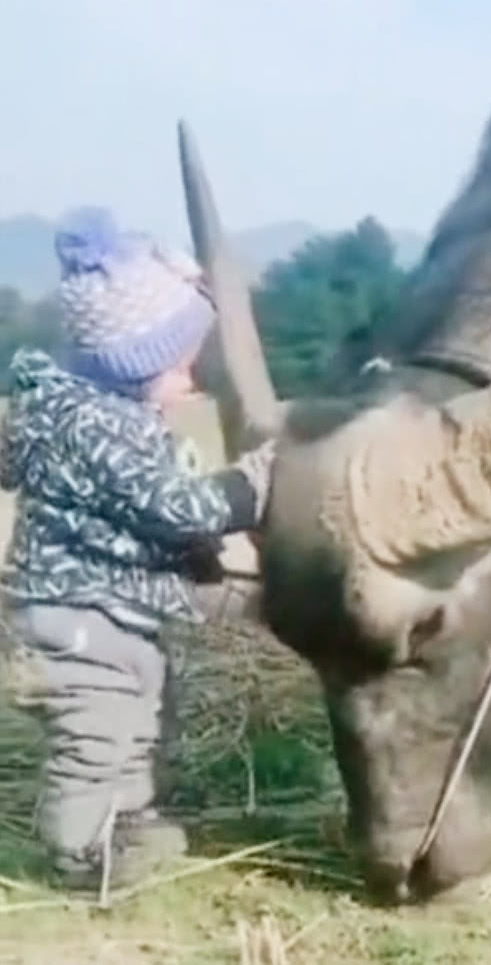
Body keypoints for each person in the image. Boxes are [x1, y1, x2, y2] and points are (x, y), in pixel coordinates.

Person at [0, 206, 275, 893]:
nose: (192, 383)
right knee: (96, 737)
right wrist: (255, 484)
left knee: (137, 716)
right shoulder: (102, 430)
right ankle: (72, 856)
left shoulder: (68, 410)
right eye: (181, 367)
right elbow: (176, 510)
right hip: (81, 621)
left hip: (105, 612)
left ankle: (125, 822)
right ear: (133, 368)